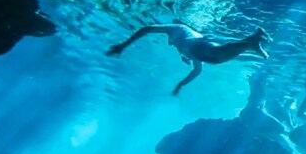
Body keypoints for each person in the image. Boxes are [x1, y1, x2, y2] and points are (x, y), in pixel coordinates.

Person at [106, 24, 270, 95]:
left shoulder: (176, 29)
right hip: (198, 49)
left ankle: (252, 40)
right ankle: (251, 42)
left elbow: (147, 28)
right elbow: (197, 71)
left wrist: (124, 45)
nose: (170, 44)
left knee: (216, 53)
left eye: (170, 42)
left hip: (198, 45)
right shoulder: (186, 52)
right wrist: (180, 84)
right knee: (217, 58)